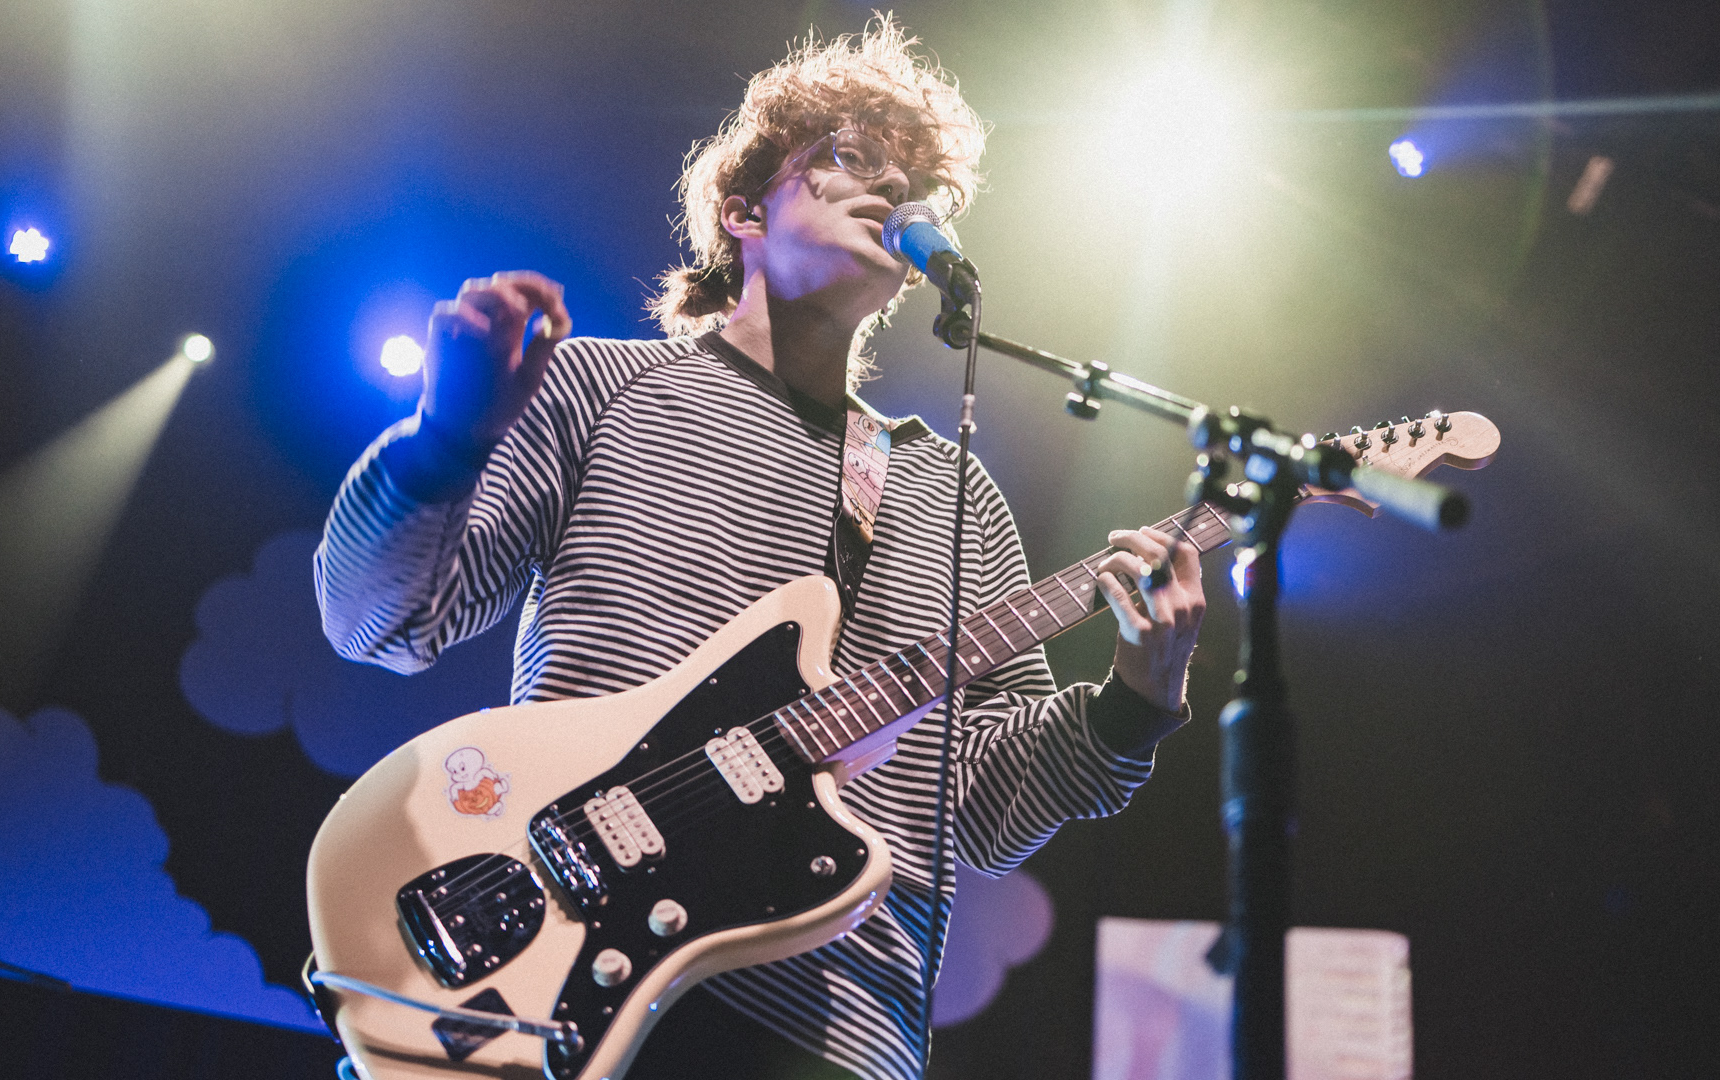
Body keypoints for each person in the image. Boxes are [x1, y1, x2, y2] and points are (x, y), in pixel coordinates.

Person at [314, 19, 1205, 1080]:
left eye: (921, 181)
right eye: (849, 155)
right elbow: (385, 622)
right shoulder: (605, 388)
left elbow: (983, 807)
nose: (896, 189)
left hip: (833, 1024)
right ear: (741, 210)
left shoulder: (951, 492)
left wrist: (1136, 699)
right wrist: (443, 444)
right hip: (557, 971)